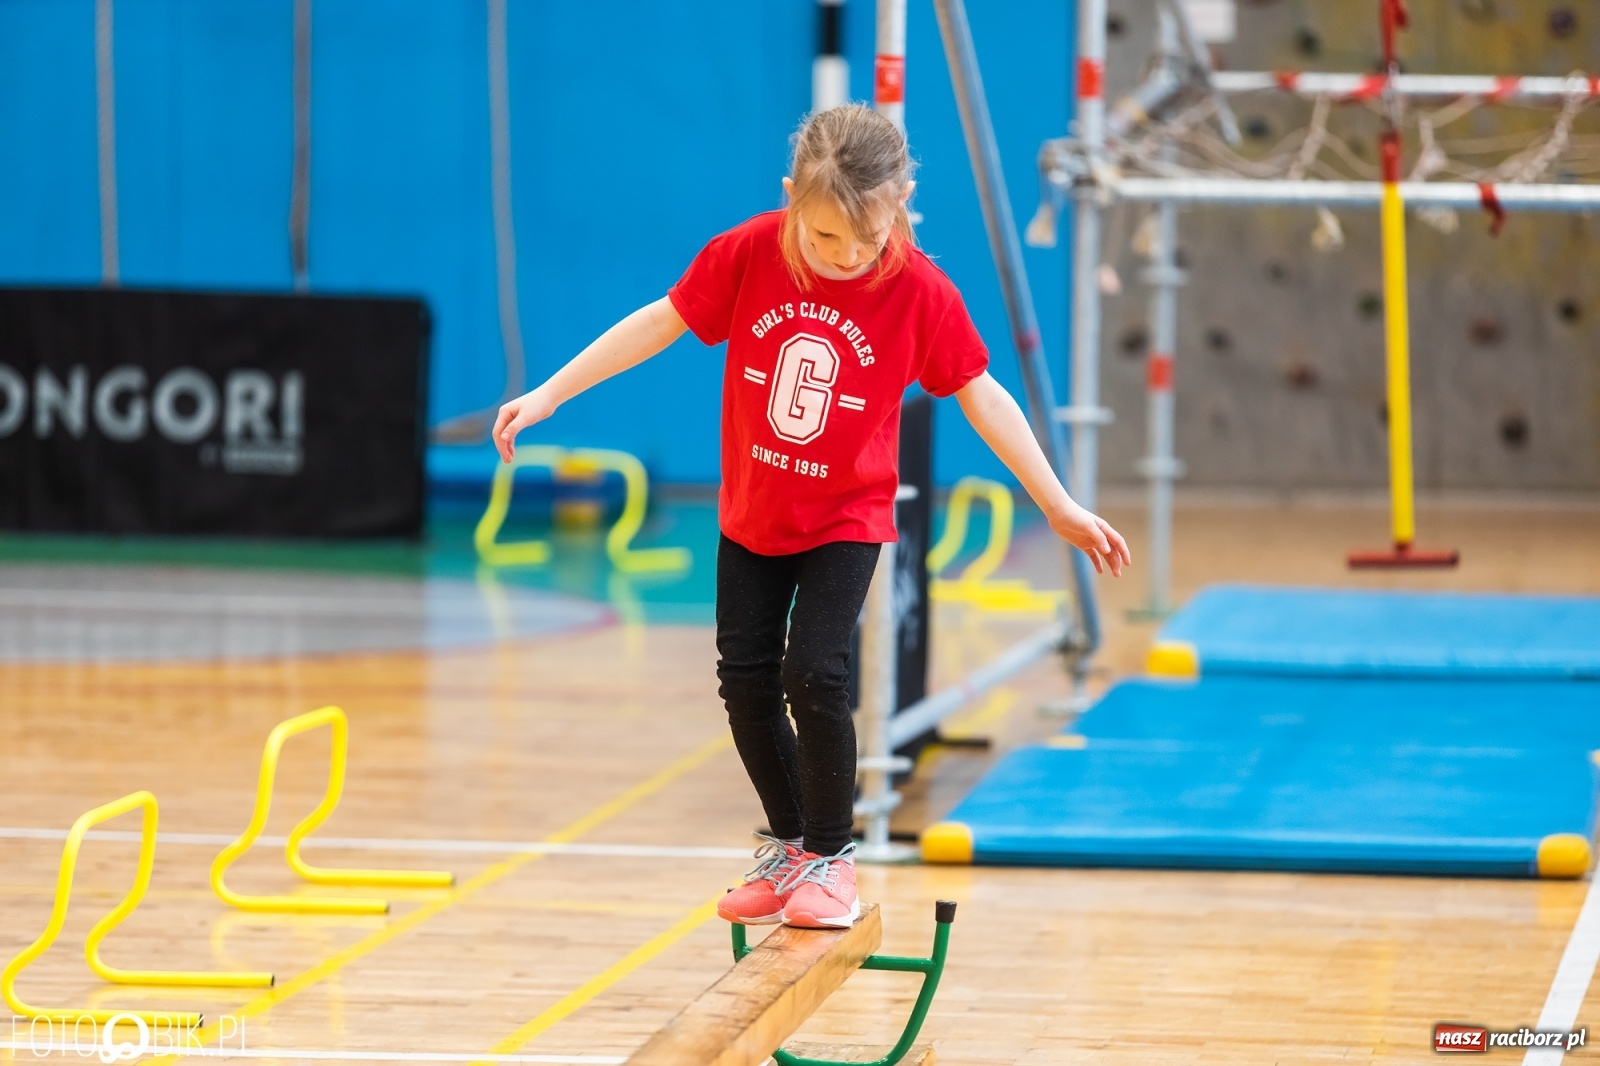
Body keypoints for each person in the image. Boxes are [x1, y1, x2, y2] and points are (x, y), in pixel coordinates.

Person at [493, 104, 1130, 930]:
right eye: (827, 238)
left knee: (815, 673)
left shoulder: (919, 289)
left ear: (901, 198)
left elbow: (982, 394)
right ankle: (794, 849)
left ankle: (833, 860)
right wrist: (549, 393)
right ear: (792, 195)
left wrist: (1060, 504)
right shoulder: (751, 251)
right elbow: (660, 322)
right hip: (753, 509)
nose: (847, 258)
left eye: (867, 239)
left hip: (846, 515)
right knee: (745, 679)